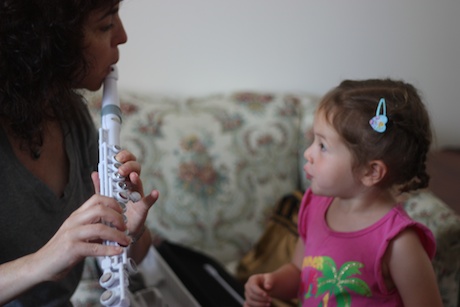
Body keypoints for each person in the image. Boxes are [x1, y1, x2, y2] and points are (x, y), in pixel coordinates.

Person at [0, 0, 159, 305]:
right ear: (48, 39)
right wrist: (43, 262)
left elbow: (132, 256)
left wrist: (128, 232)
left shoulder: (69, 114)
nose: (122, 36)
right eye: (105, 25)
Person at [243, 79, 443, 306]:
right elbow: (300, 272)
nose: (308, 153)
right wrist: (271, 283)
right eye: (313, 140)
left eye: (323, 146)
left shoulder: (399, 243)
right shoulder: (314, 205)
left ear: (371, 171)